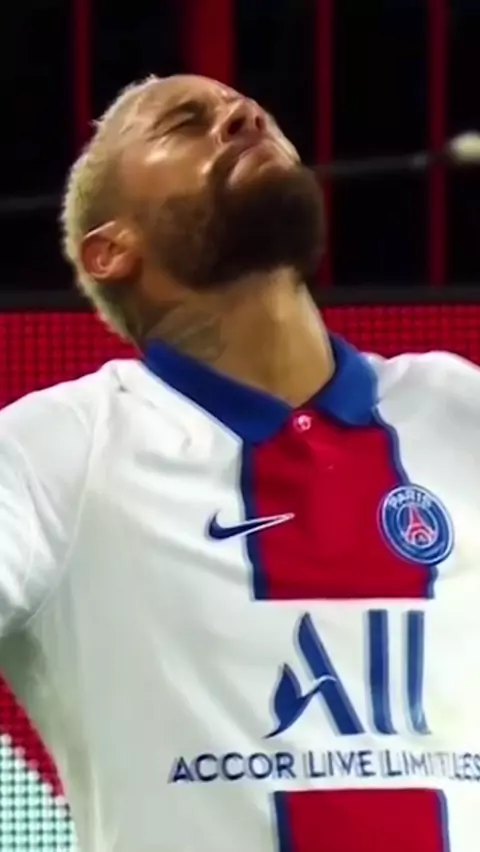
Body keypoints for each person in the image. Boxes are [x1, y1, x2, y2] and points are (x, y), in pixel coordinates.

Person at [1, 73, 480, 852]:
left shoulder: (460, 411)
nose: (244, 115)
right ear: (111, 250)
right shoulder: (57, 453)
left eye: (247, 108)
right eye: (184, 123)